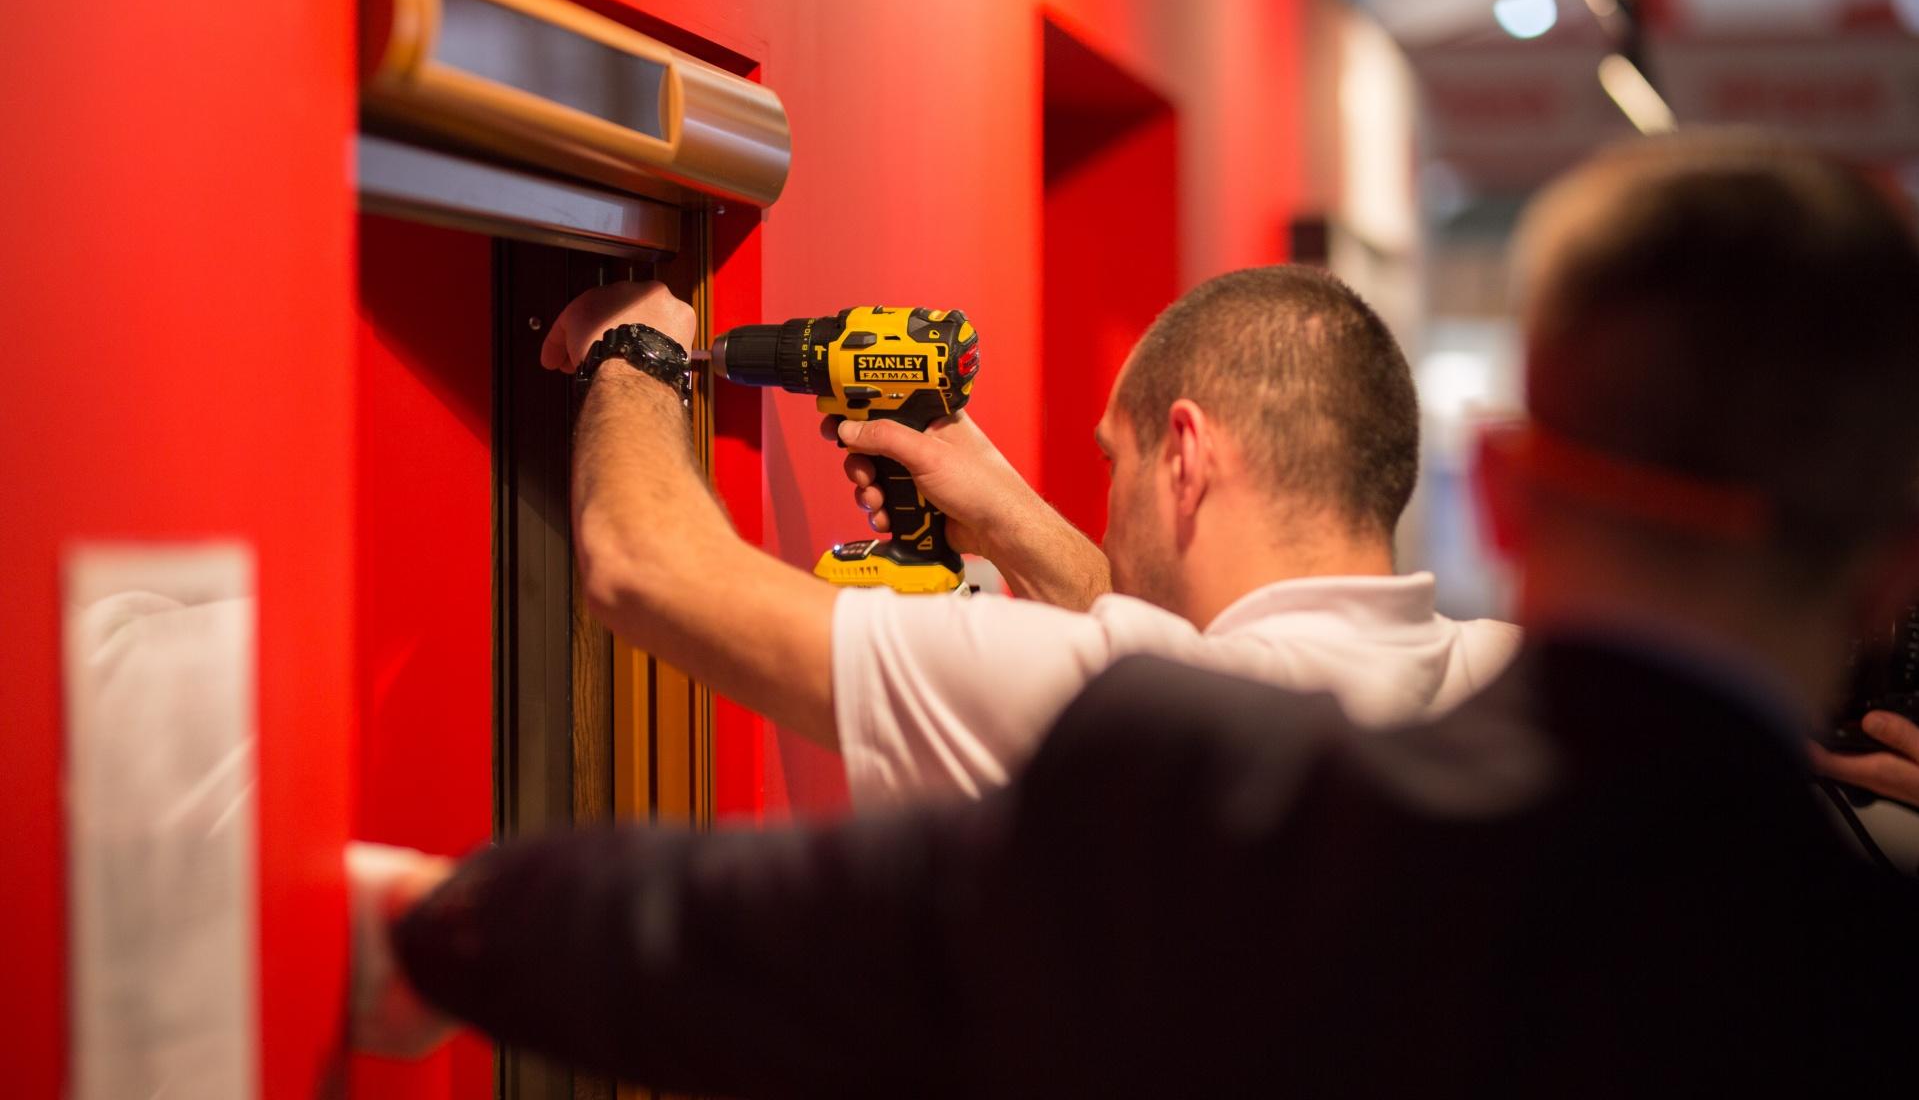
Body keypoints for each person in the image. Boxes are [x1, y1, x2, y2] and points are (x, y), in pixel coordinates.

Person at [353, 131, 1919, 1092]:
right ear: (1889, 570)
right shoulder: (1848, 957)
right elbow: (1260, 653)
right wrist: (1021, 524)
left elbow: (707, 904)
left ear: (1504, 490)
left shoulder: (1211, 801)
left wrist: (639, 346)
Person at [546, 264, 1516, 804]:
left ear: (1185, 454)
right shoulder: (1508, 686)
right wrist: (1007, 515)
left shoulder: (1111, 706)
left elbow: (645, 566)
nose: (1107, 496)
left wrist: (634, 349)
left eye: (1113, 461)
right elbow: (1193, 648)